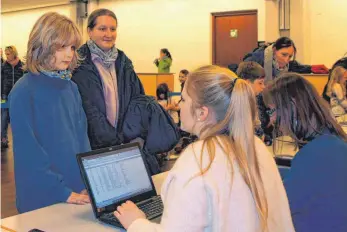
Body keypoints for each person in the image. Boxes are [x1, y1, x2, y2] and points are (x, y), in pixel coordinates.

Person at [113, 65, 295, 231]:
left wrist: (136, 222)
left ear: (202, 113)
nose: (179, 106)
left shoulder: (197, 159)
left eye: (183, 100)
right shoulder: (255, 146)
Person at [72, 9, 179, 174]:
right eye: (102, 29)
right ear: (89, 31)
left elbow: (137, 99)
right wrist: (112, 140)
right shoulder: (78, 64)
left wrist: (128, 136)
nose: (109, 34)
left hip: (125, 144)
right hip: (94, 147)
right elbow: (88, 109)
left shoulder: (123, 62)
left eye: (113, 29)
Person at [8, 12, 91, 213]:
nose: (69, 54)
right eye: (61, 47)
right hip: (43, 198)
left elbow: (82, 140)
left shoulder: (71, 88)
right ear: (42, 46)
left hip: (78, 193)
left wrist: (88, 181)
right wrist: (61, 192)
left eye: (72, 47)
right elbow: (29, 154)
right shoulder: (23, 90)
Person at [263, 72, 347, 232]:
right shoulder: (331, 141)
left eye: (272, 111)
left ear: (292, 105)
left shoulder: (315, 154)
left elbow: (281, 207)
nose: (271, 120)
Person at [1, 45, 24, 149]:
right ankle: (3, 139)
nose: (6, 56)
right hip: (5, 95)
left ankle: (20, 139)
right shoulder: (3, 66)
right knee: (4, 117)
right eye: (5, 54)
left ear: (13, 53)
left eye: (8, 54)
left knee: (19, 118)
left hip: (18, 96)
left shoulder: (22, 66)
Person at [237, 61, 267, 140]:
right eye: (260, 83)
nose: (263, 87)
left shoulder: (254, 98)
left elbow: (257, 125)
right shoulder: (238, 103)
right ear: (247, 83)